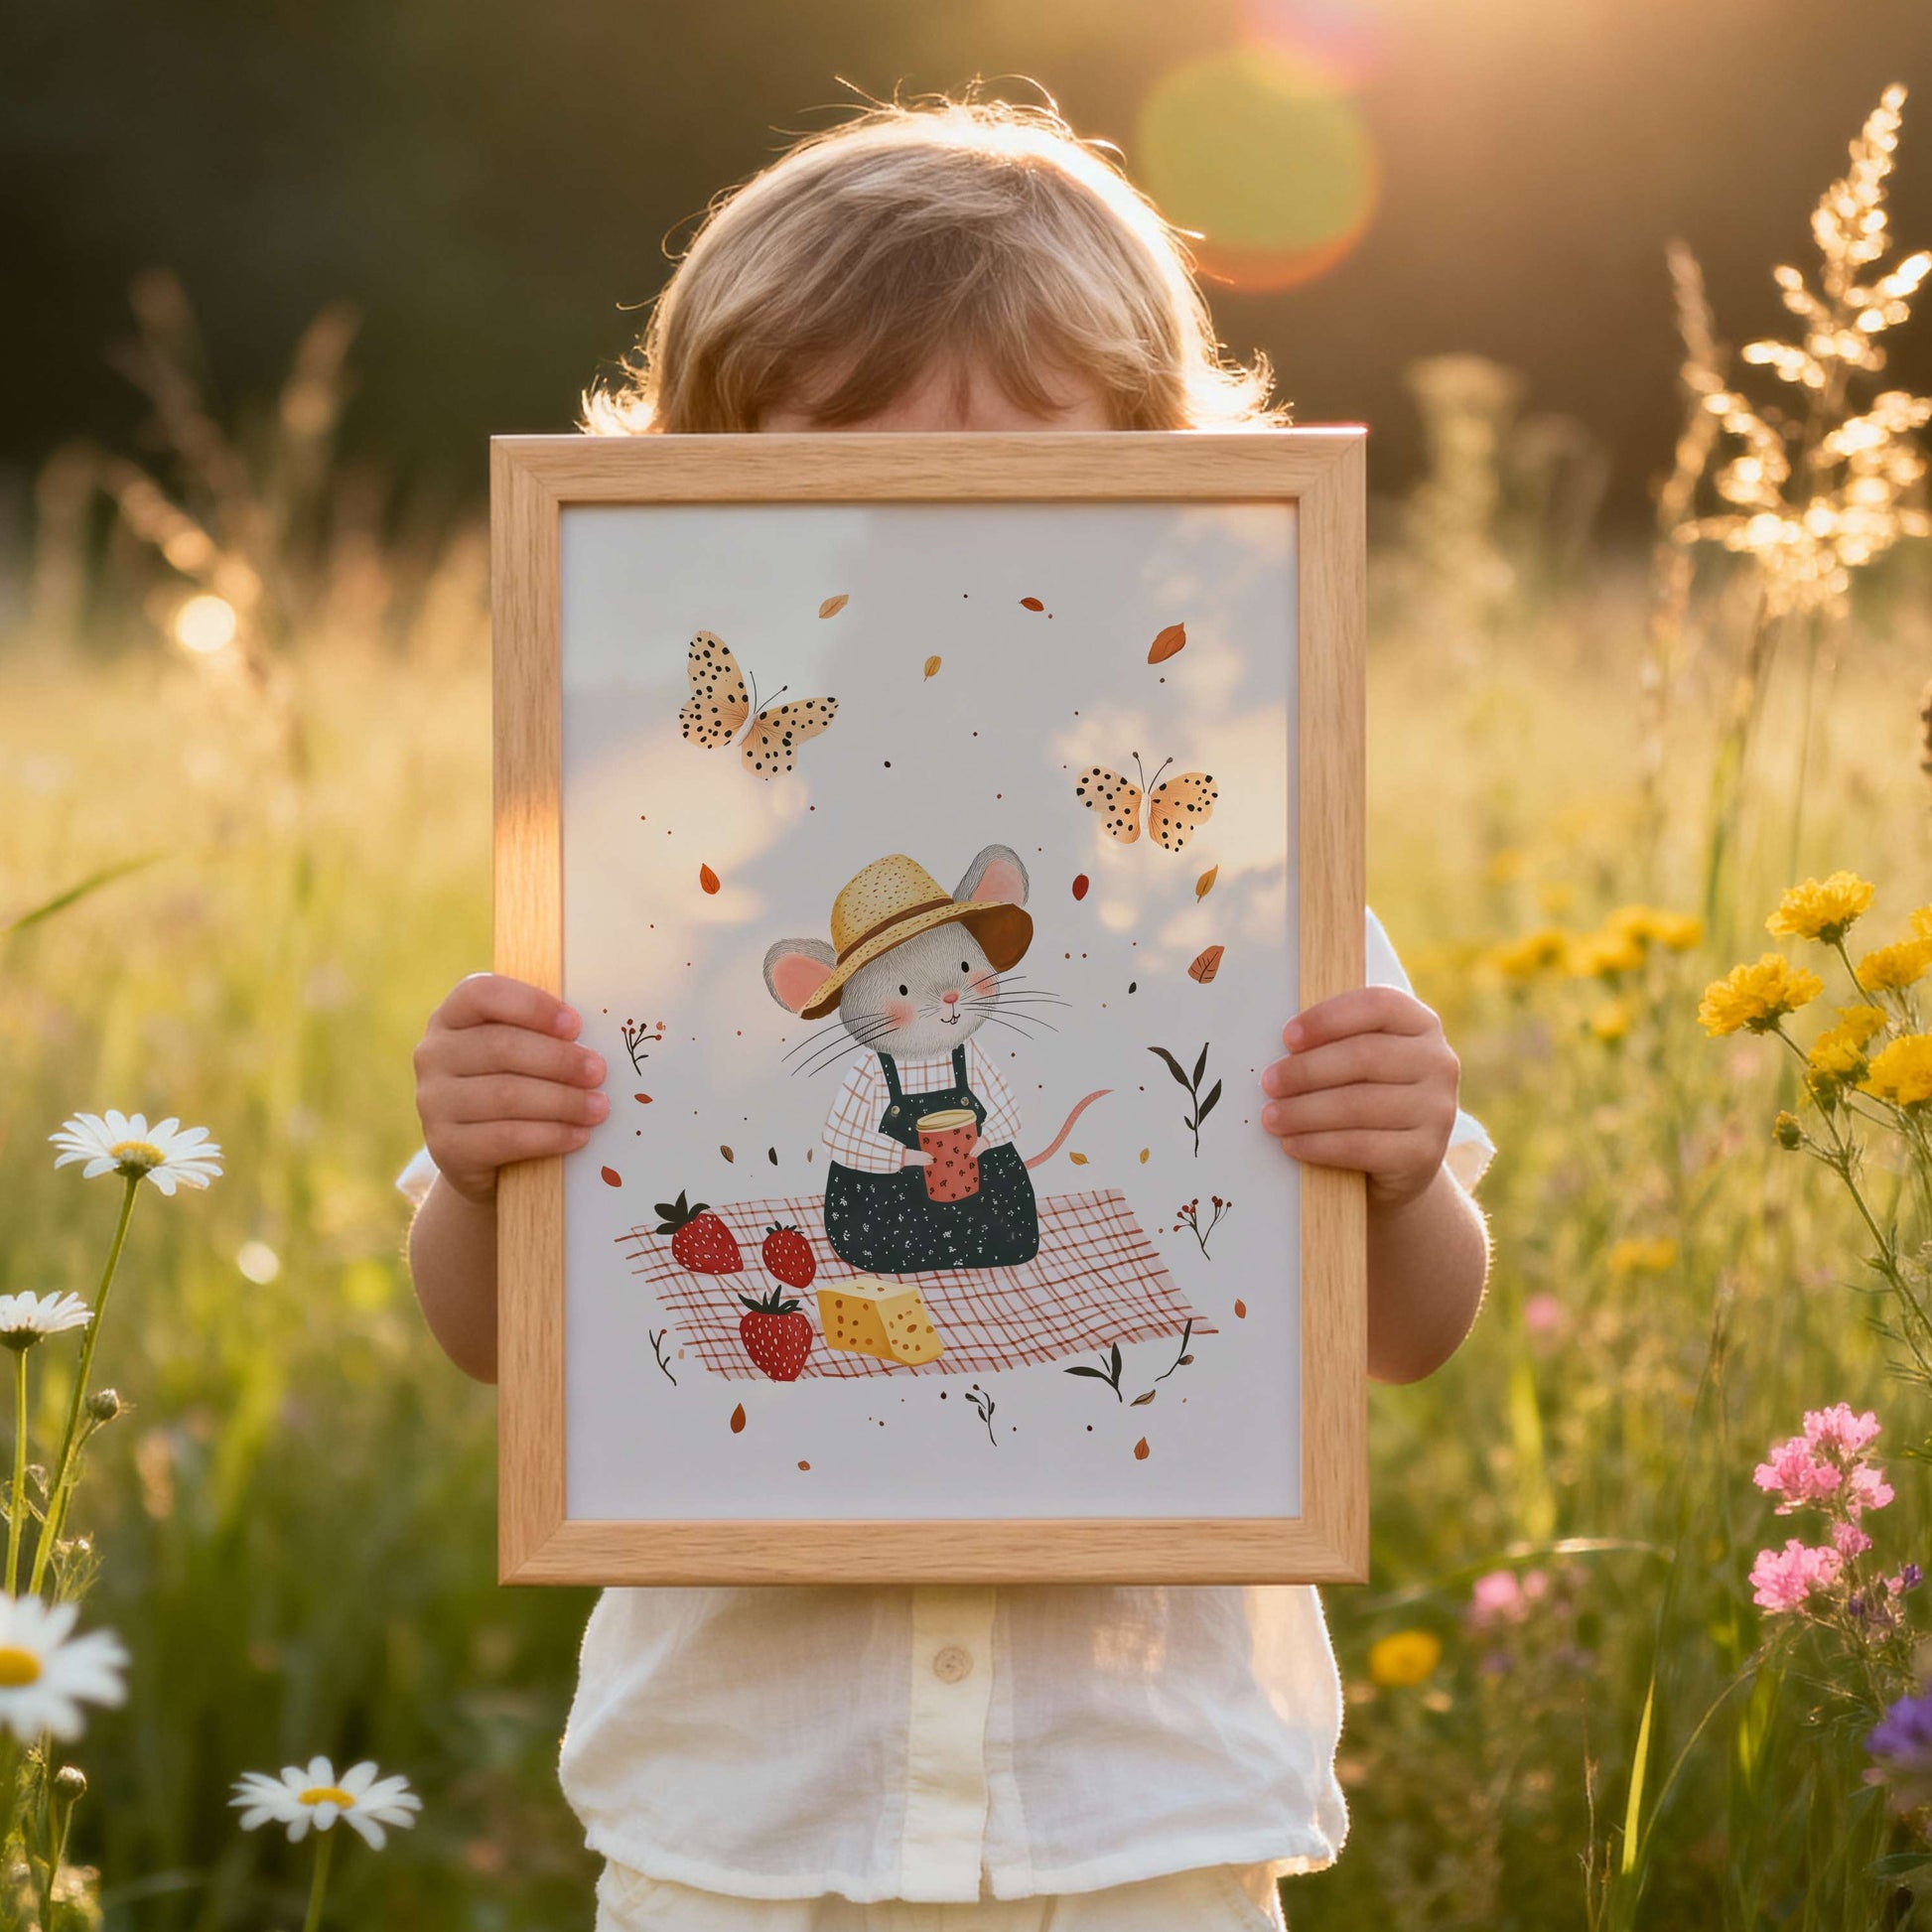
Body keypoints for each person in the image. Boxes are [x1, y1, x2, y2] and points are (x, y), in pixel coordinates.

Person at [404, 92, 1493, 1932]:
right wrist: (472, 1166)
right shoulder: (647, 886)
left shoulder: (1235, 879)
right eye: (844, 494)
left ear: (1166, 514)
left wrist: (1399, 1176)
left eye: (1023, 500)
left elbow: (1400, 1335)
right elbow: (506, 1339)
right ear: (689, 521)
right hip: (744, 1830)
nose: (934, 557)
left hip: (1139, 1824)